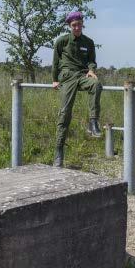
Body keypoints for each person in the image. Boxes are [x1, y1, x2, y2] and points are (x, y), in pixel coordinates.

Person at [51, 11, 103, 167]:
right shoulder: (62, 41)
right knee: (65, 113)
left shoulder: (88, 42)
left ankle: (93, 122)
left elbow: (92, 61)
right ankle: (59, 151)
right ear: (69, 26)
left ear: (82, 24)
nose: (77, 27)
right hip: (67, 78)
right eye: (74, 25)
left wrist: (91, 70)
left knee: (96, 84)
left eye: (79, 24)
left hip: (82, 76)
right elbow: (55, 62)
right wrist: (54, 79)